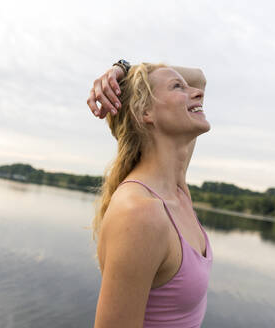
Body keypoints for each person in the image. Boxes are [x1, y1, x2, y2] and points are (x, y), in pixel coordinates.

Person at [87, 60, 213, 328]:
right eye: (177, 86)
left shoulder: (176, 187)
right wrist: (134, 76)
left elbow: (199, 78)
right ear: (145, 111)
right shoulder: (140, 213)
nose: (197, 93)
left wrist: (125, 68)